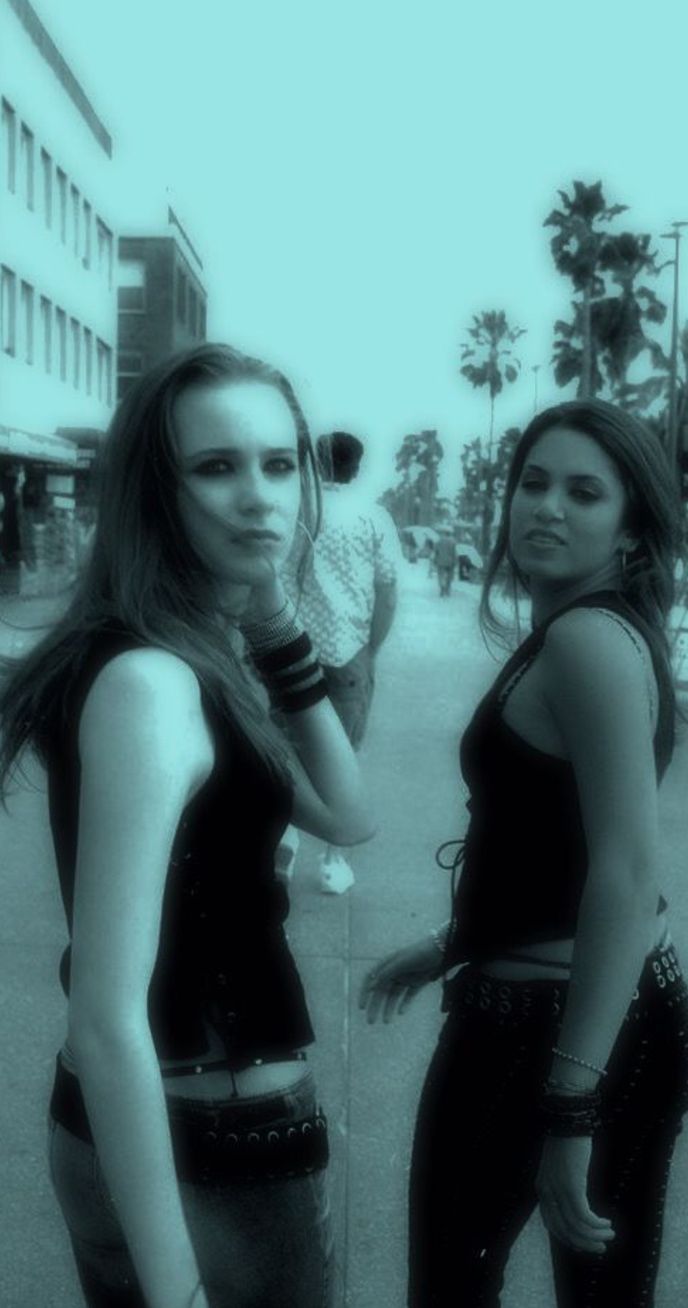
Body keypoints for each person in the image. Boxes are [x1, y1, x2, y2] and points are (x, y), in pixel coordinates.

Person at [0, 344, 375, 1308]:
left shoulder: (181, 653)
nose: (261, 498)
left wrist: (276, 618)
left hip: (156, 1130)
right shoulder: (152, 682)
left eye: (279, 462)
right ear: (155, 494)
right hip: (207, 1142)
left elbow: (346, 812)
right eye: (216, 468)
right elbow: (108, 1013)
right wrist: (177, 1294)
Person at [360, 399, 688, 1308]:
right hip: (594, 1012)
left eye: (584, 492)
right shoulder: (596, 630)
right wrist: (449, 941)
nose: (545, 507)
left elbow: (626, 873)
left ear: (631, 526)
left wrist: (572, 1105)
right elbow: (559, 846)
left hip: (553, 1035)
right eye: (533, 482)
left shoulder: (589, 639)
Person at [281, 429, 401, 893]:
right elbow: (387, 591)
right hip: (347, 650)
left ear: (314, 464)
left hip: (286, 651)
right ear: (356, 467)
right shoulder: (373, 518)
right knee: (343, 755)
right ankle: (333, 862)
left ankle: (283, 840)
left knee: (283, 751)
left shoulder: (295, 511)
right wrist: (371, 649)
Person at [434, 526, 457, 597]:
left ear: (444, 533)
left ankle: (442, 588)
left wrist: (435, 560)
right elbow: (454, 553)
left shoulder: (439, 541)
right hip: (450, 562)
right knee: (449, 576)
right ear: (450, 534)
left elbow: (436, 552)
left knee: (440, 575)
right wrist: (455, 561)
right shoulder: (453, 542)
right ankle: (447, 589)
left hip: (440, 561)